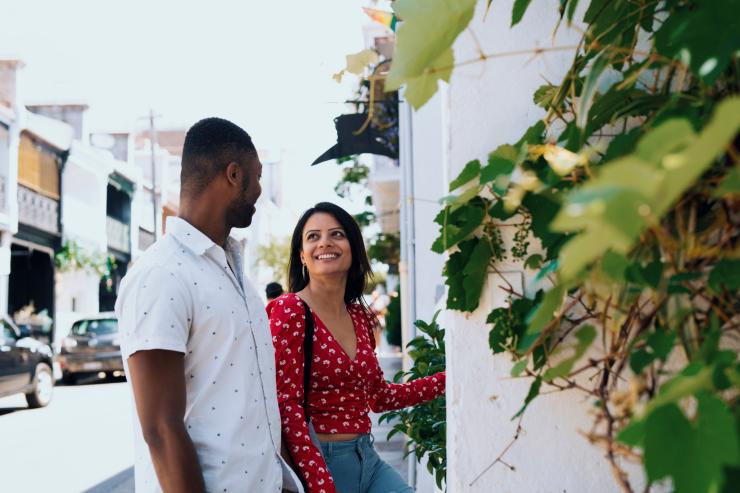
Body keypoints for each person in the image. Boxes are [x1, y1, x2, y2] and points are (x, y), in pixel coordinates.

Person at [116, 117, 301, 493]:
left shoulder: (235, 275)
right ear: (234, 175)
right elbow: (161, 430)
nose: (259, 190)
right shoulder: (161, 275)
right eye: (257, 177)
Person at [267, 202, 445, 493]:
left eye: (337, 234)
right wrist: (321, 485)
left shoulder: (359, 316)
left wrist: (448, 380)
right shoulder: (291, 310)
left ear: (353, 248)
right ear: (302, 255)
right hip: (320, 465)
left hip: (367, 459)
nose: (325, 242)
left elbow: (379, 396)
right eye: (313, 236)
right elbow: (286, 405)